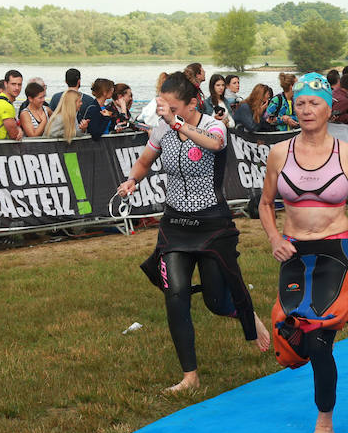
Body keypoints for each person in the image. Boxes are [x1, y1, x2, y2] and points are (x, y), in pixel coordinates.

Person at [258, 72, 348, 433]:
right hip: (293, 251)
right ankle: (317, 385)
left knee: (318, 340)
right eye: (300, 103)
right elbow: (266, 204)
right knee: (291, 337)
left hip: (336, 251)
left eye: (314, 102)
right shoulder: (279, 152)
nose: (306, 109)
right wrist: (272, 238)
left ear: (330, 108)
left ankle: (324, 421)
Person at [116, 71, 271, 392]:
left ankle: (248, 315)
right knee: (175, 296)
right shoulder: (162, 130)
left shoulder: (213, 125)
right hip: (175, 226)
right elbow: (145, 161)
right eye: (165, 107)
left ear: (192, 103)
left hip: (212, 224)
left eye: (174, 107)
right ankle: (190, 376)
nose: (167, 113)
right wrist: (132, 179)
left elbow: (214, 144)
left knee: (216, 300)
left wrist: (176, 123)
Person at [0, 69, 24, 140]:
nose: (17, 88)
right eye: (13, 84)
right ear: (6, 84)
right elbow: (14, 135)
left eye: (19, 84)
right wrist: (19, 130)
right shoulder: (5, 105)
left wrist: (18, 128)